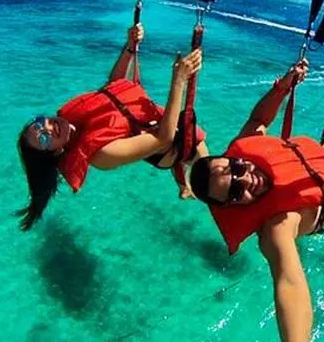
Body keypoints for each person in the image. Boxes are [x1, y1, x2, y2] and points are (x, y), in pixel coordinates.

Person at [188, 59, 324, 342]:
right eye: (237, 191)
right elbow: (289, 280)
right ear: (235, 207)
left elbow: (258, 121)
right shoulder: (276, 227)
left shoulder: (245, 154)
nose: (246, 178)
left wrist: (282, 86)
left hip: (307, 172)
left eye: (236, 167)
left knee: (321, 157)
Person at [16, 24, 206, 231]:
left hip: (152, 122)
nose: (48, 128)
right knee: (204, 161)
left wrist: (130, 47)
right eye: (44, 139)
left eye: (40, 124)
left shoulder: (72, 115)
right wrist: (179, 80)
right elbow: (163, 139)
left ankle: (184, 186)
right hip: (166, 148)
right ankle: (191, 186)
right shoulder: (101, 156)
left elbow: (113, 89)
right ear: (55, 152)